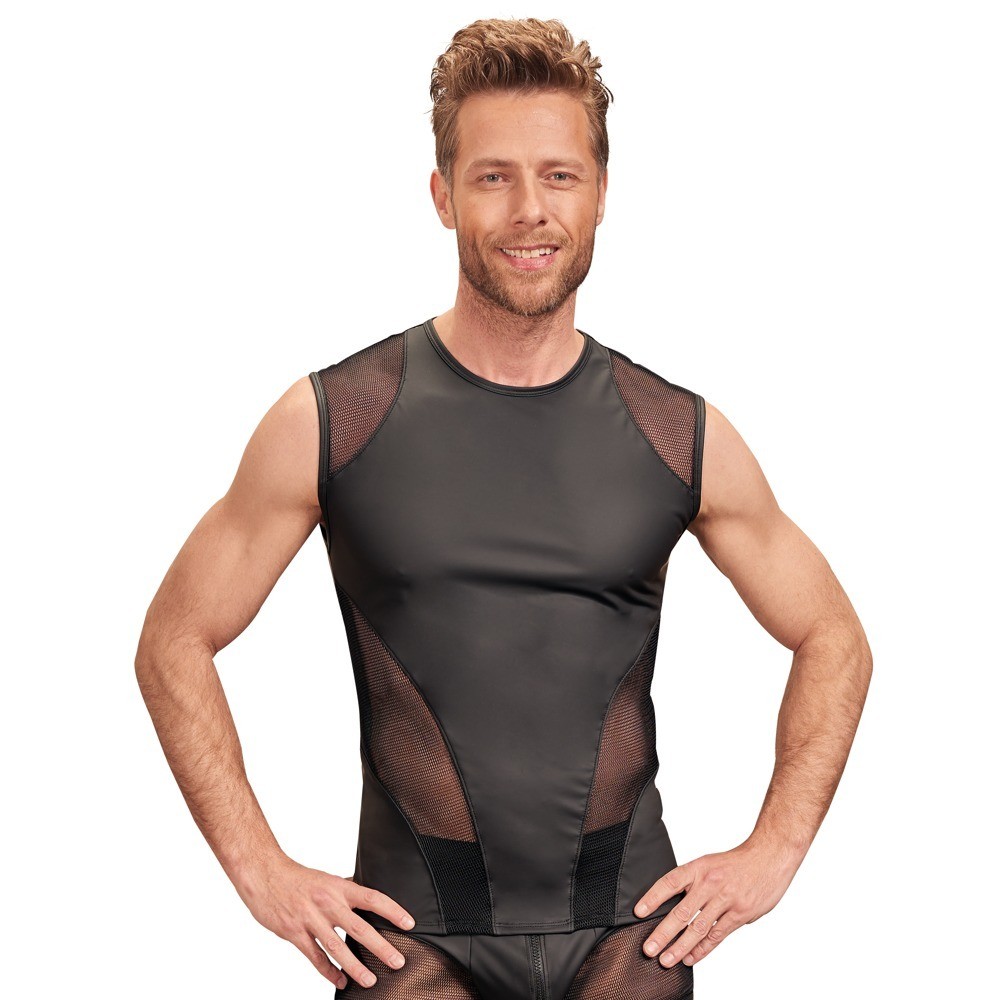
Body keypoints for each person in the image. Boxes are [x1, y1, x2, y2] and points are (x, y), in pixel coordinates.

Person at [135, 17, 873, 1000]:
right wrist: (260, 873)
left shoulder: (676, 432)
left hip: (631, 942)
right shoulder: (334, 419)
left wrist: (774, 851)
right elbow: (174, 639)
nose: (530, 210)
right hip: (409, 943)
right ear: (443, 195)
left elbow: (832, 635)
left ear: (600, 192)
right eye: (493, 177)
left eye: (559, 175)